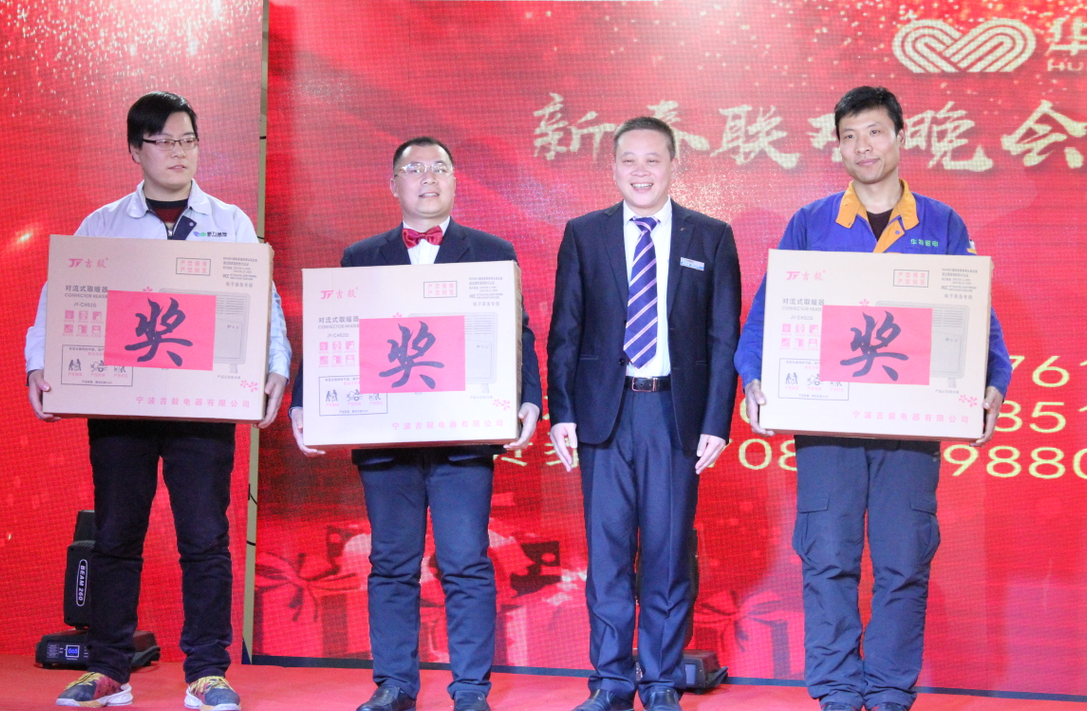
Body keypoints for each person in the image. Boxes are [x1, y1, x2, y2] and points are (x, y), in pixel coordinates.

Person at [735, 86, 1012, 711]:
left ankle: (888, 691)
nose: (863, 147)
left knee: (904, 560)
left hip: (909, 425)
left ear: (900, 137)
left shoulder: (941, 223)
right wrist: (752, 375)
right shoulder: (811, 223)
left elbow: (978, 315)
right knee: (827, 556)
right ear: (838, 147)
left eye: (875, 132)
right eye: (850, 136)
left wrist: (994, 382)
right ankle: (836, 690)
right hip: (826, 426)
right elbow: (768, 313)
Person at [26, 91, 292, 711]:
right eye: (165, 141)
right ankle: (109, 669)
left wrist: (276, 365)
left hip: (202, 405)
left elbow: (265, 299)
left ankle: (207, 671)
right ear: (134, 150)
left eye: (188, 140)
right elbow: (58, 297)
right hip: (122, 406)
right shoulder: (104, 224)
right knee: (116, 534)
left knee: (205, 536)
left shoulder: (228, 221)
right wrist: (42, 364)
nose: (179, 152)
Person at [290, 137, 541, 711]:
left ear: (454, 180)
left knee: (466, 561)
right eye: (414, 169)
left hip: (464, 436)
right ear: (394, 184)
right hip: (386, 439)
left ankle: (470, 688)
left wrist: (529, 397)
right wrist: (306, 401)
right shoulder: (361, 256)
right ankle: (395, 684)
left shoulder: (492, 251)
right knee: (391, 563)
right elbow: (331, 331)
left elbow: (518, 331)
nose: (427, 178)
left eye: (439, 168)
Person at [547, 117, 741, 711]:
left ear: (674, 165)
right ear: (612, 167)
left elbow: (723, 339)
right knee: (607, 556)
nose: (640, 171)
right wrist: (562, 412)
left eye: (652, 159)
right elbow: (565, 331)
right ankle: (610, 682)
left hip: (674, 414)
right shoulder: (585, 234)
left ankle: (659, 682)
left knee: (666, 551)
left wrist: (716, 421)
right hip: (604, 414)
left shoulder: (711, 237)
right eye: (628, 159)